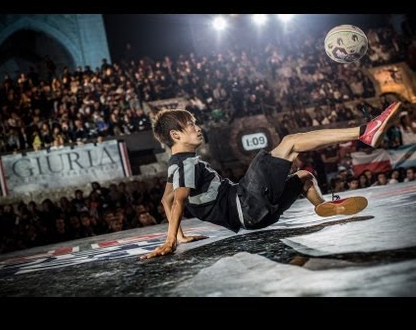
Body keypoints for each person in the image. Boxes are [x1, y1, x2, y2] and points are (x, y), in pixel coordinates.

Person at [140, 102, 401, 259]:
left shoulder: (176, 165)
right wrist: (171, 241)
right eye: (190, 125)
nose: (198, 128)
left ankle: (323, 206)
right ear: (175, 134)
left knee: (304, 177)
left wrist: (181, 236)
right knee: (290, 142)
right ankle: (365, 132)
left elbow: (167, 198)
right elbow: (180, 200)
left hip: (255, 218)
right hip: (245, 203)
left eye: (196, 123)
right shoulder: (185, 163)